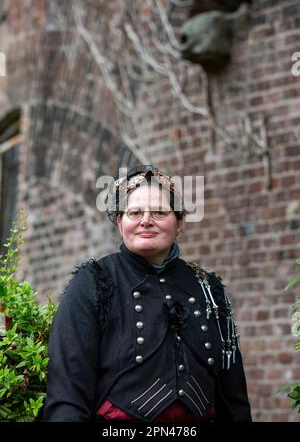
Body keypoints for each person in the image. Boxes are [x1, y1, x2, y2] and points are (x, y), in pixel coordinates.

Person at [43, 164, 252, 422]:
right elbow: (67, 395)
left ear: (179, 223)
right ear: (120, 223)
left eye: (159, 212)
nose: (146, 220)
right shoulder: (94, 283)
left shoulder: (208, 288)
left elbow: (234, 401)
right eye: (135, 212)